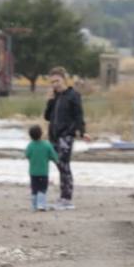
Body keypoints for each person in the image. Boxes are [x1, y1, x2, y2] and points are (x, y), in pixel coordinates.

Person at [43, 67, 87, 210]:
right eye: (52, 82)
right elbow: (47, 117)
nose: (55, 84)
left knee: (64, 164)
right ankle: (63, 196)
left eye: (57, 81)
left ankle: (66, 198)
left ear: (64, 80)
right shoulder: (54, 96)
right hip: (54, 135)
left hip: (66, 135)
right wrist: (49, 101)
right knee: (59, 164)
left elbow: (79, 115)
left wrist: (82, 131)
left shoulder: (73, 95)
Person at [24, 124, 59, 212]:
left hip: (33, 172)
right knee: (42, 189)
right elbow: (54, 156)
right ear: (41, 134)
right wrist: (56, 162)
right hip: (43, 172)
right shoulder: (47, 145)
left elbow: (27, 155)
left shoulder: (30, 145)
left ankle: (34, 205)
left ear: (30, 136)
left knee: (34, 189)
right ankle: (41, 205)